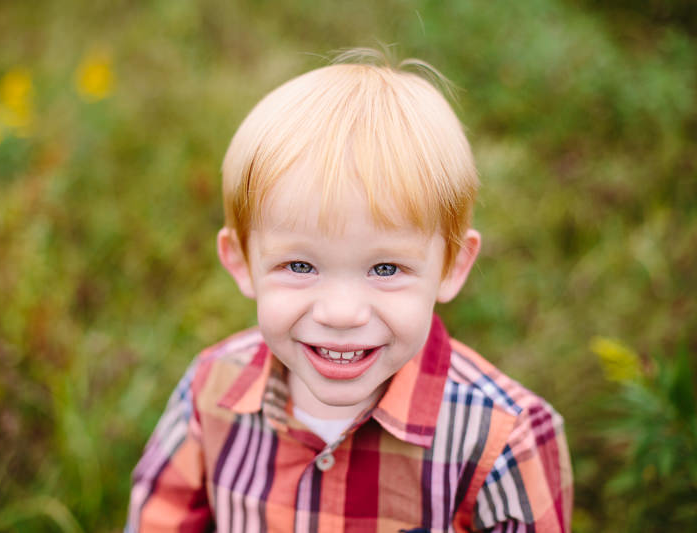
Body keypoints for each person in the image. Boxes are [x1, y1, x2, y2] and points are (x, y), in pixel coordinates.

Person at [126, 50, 573, 532]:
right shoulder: (210, 389)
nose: (341, 313)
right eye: (299, 265)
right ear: (239, 261)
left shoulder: (505, 440)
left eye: (385, 268)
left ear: (451, 265)